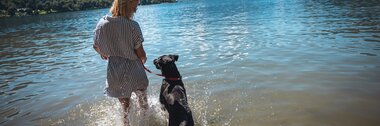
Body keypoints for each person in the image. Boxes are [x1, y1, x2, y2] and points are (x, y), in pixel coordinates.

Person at [93, 0, 148, 125]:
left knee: (125, 108)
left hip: (114, 72)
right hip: (134, 69)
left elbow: (96, 46)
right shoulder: (133, 25)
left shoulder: (102, 24)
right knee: (143, 103)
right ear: (128, 4)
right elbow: (141, 54)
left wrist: (104, 54)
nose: (136, 7)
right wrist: (143, 59)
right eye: (135, 5)